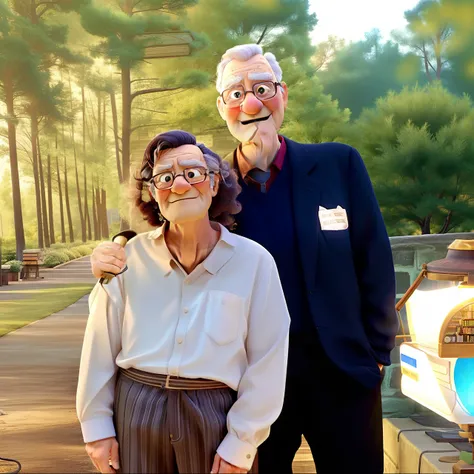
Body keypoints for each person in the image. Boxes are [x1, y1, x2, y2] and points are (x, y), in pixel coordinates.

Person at [90, 44, 398, 474]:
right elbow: (171, 236)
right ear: (223, 109)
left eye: (261, 87)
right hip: (249, 383)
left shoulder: (338, 164)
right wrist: (114, 251)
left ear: (283, 95)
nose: (251, 102)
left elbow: (375, 258)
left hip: (342, 370)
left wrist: (378, 350)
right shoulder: (213, 185)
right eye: (235, 93)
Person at [77, 130, 290, 474]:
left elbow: (268, 359)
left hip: (214, 413)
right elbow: (99, 346)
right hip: (136, 407)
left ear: (215, 183)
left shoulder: (254, 262)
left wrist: (242, 441)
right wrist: (96, 429)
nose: (179, 186)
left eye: (192, 173)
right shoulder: (126, 258)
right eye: (165, 177)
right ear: (152, 193)